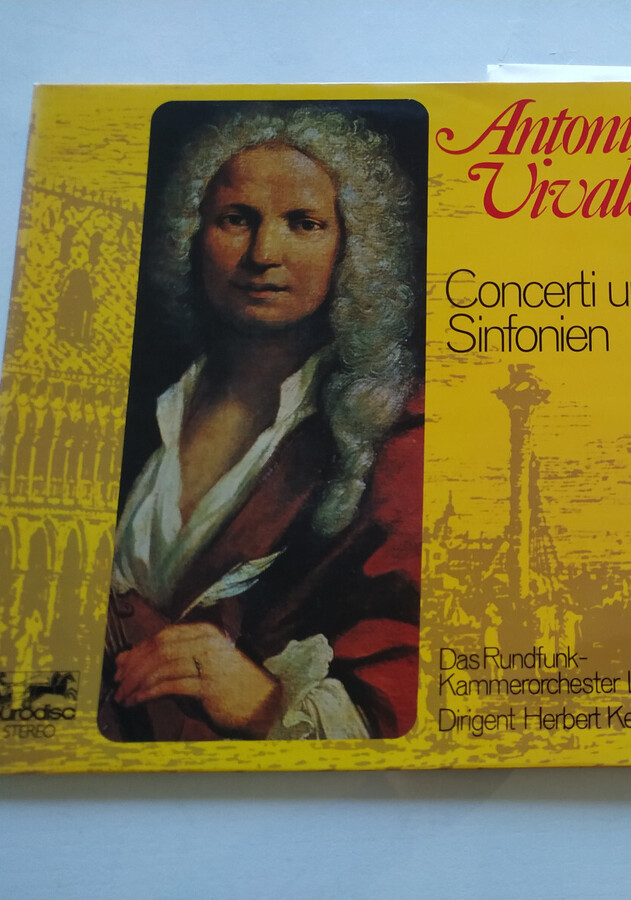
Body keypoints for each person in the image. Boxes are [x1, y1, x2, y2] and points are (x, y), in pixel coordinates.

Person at [98, 105, 424, 742]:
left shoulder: (395, 434)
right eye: (236, 219)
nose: (263, 253)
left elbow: (410, 689)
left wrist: (263, 702)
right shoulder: (140, 405)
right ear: (193, 235)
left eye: (303, 223)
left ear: (352, 247)